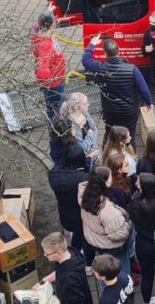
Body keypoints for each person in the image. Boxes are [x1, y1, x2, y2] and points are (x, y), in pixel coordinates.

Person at [82, 36, 152, 145]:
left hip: (110, 111)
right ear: (118, 50)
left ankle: (111, 155)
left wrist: (92, 44)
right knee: (130, 135)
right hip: (129, 111)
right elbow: (144, 89)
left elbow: (85, 60)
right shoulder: (132, 69)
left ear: (105, 53)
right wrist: (149, 102)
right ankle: (130, 155)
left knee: (111, 135)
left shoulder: (100, 67)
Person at [78, 165, 133, 276]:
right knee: (120, 270)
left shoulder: (85, 195)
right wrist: (128, 225)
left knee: (106, 271)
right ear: (105, 182)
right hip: (112, 246)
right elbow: (119, 234)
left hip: (96, 240)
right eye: (110, 176)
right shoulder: (107, 209)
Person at [47, 144, 91, 272]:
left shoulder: (54, 174)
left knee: (77, 234)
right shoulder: (82, 178)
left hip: (66, 214)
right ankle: (88, 264)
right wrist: (88, 164)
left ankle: (74, 253)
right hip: (81, 215)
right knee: (86, 238)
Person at [128, 173, 155, 304]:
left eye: (138, 182)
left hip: (143, 244)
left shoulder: (135, 205)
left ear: (143, 189)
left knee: (148, 276)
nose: (136, 183)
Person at [31, 9, 66, 121]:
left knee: (54, 104)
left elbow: (34, 29)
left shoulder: (37, 35)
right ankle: (57, 132)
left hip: (54, 82)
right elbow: (42, 72)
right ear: (51, 25)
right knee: (56, 110)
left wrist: (46, 12)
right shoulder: (46, 45)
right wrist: (53, 81)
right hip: (54, 84)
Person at [59, 92, 99, 162]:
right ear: (76, 107)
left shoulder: (84, 113)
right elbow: (82, 147)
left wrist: (93, 145)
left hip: (93, 149)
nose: (88, 105)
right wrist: (90, 135)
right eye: (85, 104)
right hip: (83, 156)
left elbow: (95, 129)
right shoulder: (72, 124)